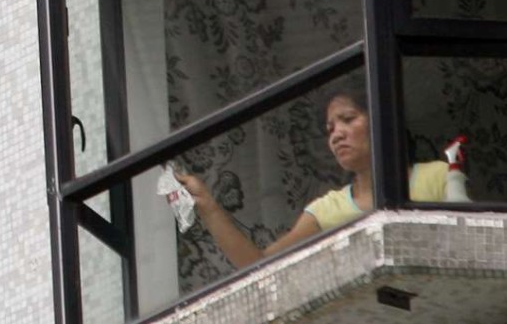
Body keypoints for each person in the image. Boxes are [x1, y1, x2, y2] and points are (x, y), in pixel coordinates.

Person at [174, 88, 450, 270]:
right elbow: (258, 266)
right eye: (330, 128)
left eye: (348, 119)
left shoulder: (438, 176)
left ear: (381, 118)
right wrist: (206, 206)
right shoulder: (326, 210)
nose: (336, 134)